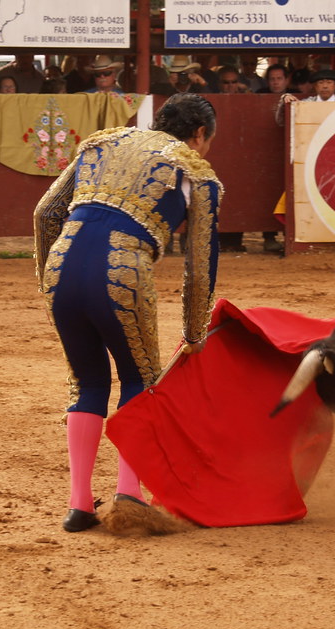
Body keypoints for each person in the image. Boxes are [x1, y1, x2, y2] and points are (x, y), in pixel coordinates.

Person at [34, 93, 222, 533]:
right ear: (199, 135)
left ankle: (79, 505)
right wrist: (195, 333)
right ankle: (128, 495)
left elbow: (46, 213)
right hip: (119, 271)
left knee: (88, 381)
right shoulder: (196, 170)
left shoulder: (102, 143)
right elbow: (201, 262)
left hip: (61, 267)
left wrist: (48, 281)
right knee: (139, 379)